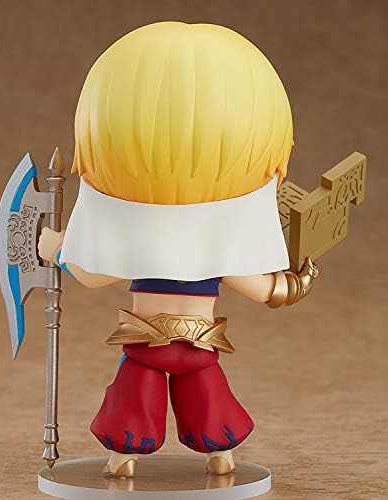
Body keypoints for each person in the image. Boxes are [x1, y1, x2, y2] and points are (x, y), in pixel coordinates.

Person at [38, 21, 318, 478]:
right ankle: (218, 453)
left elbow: (92, 273)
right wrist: (296, 283)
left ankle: (126, 455)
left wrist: (57, 247)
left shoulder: (139, 240)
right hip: (198, 344)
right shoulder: (223, 243)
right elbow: (264, 290)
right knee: (207, 397)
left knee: (137, 397)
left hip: (144, 341)